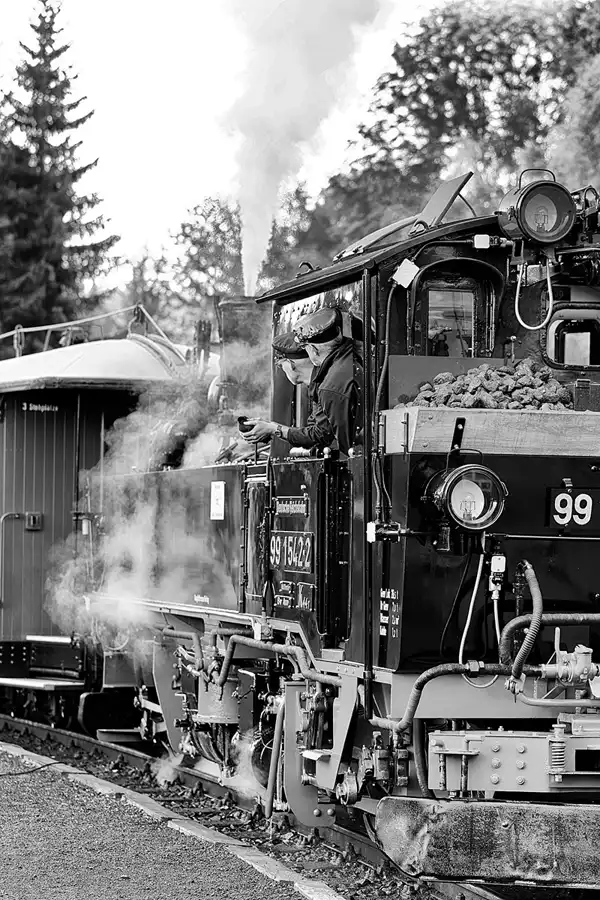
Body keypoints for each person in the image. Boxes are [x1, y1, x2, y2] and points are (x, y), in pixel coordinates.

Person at [244, 308, 362, 455]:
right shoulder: (349, 359)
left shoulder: (330, 387)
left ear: (313, 349)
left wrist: (274, 429)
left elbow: (326, 436)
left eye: (305, 347)